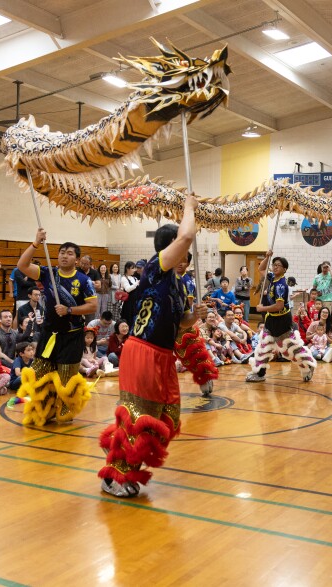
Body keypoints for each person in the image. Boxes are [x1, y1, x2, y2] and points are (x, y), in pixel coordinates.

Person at [98, 195, 213, 498]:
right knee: (136, 416)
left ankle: (129, 468)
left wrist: (194, 317)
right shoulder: (156, 267)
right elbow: (187, 235)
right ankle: (113, 477)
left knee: (167, 418)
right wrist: (189, 207)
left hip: (163, 355)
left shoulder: (177, 284)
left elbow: (180, 324)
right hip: (143, 351)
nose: (185, 252)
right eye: (181, 247)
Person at [16, 232, 97, 426]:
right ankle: (44, 410)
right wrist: (35, 243)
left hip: (71, 337)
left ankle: (65, 410)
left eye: (69, 253)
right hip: (48, 336)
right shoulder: (47, 273)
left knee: (66, 379)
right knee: (39, 375)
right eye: (61, 252)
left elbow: (93, 306)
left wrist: (69, 309)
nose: (64, 256)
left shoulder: (84, 281)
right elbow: (22, 265)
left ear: (77, 260)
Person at [245, 252, 316, 383]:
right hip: (271, 319)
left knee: (290, 348)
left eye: (279, 265)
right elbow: (261, 269)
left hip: (282, 320)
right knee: (264, 345)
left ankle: (308, 365)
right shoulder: (272, 277)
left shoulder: (281, 285)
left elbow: (279, 306)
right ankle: (260, 373)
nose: (275, 267)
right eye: (274, 264)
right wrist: (267, 257)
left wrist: (261, 309)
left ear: (284, 269)